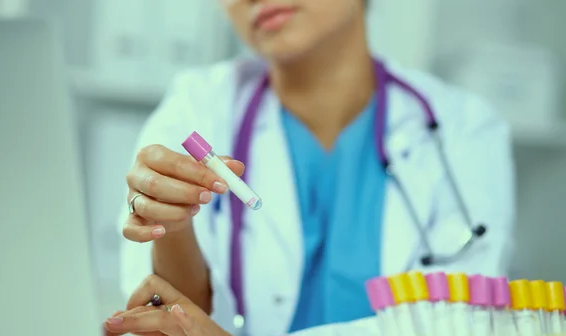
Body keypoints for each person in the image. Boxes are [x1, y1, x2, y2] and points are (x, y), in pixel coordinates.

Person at [119, 0, 515, 334]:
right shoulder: (196, 106)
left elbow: (464, 324)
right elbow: (165, 315)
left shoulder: (464, 129)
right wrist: (172, 230)